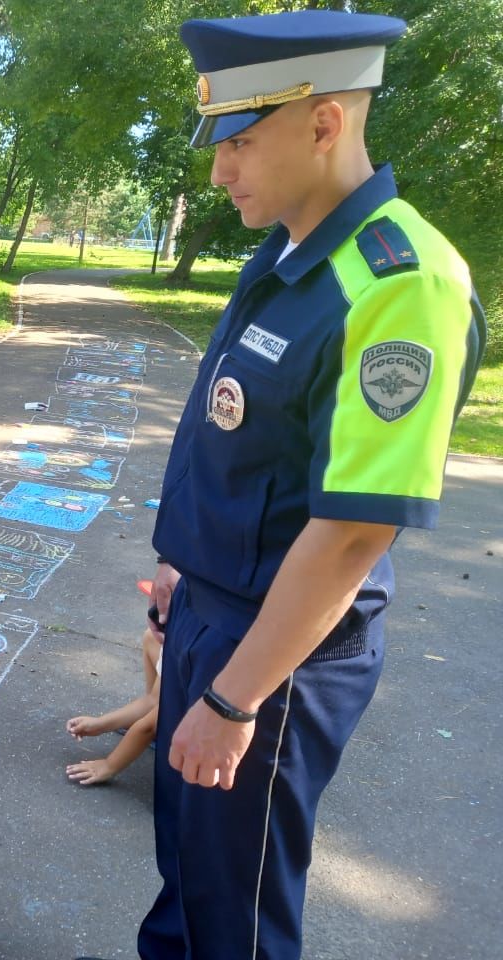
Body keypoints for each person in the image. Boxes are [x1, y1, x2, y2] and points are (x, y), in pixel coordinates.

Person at [75, 12, 486, 960]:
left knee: (237, 911)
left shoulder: (401, 282)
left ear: (326, 122)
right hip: (214, 615)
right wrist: (183, 573)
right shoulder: (295, 248)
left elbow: (350, 533)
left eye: (242, 142)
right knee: (187, 869)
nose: (221, 171)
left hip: (277, 654)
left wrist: (234, 700)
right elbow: (241, 434)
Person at [65, 603, 164, 786]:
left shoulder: (197, 656)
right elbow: (154, 699)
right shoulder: (172, 639)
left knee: (162, 716)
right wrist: (101, 724)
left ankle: (170, 735)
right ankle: (165, 732)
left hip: (214, 730)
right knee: (151, 638)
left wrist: (110, 765)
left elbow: (149, 725)